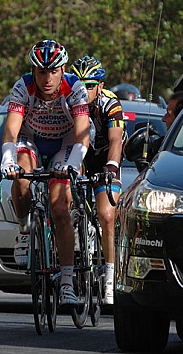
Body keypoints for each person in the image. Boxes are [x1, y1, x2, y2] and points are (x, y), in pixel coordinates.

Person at [0, 39, 90, 306]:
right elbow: (11, 130)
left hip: (66, 143)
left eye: (53, 71)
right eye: (41, 72)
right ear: (33, 70)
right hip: (32, 140)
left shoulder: (75, 88)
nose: (47, 78)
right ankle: (25, 230)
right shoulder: (23, 86)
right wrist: (7, 159)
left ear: (62, 70)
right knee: (22, 174)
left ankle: (66, 282)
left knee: (59, 208)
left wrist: (73, 164)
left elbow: (83, 134)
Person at [70, 55, 125, 306]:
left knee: (107, 215)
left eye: (90, 86)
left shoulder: (110, 104)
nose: (84, 91)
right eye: (80, 85)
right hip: (78, 156)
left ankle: (111, 276)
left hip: (103, 160)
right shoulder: (68, 100)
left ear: (100, 86)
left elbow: (116, 141)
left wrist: (112, 167)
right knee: (65, 203)